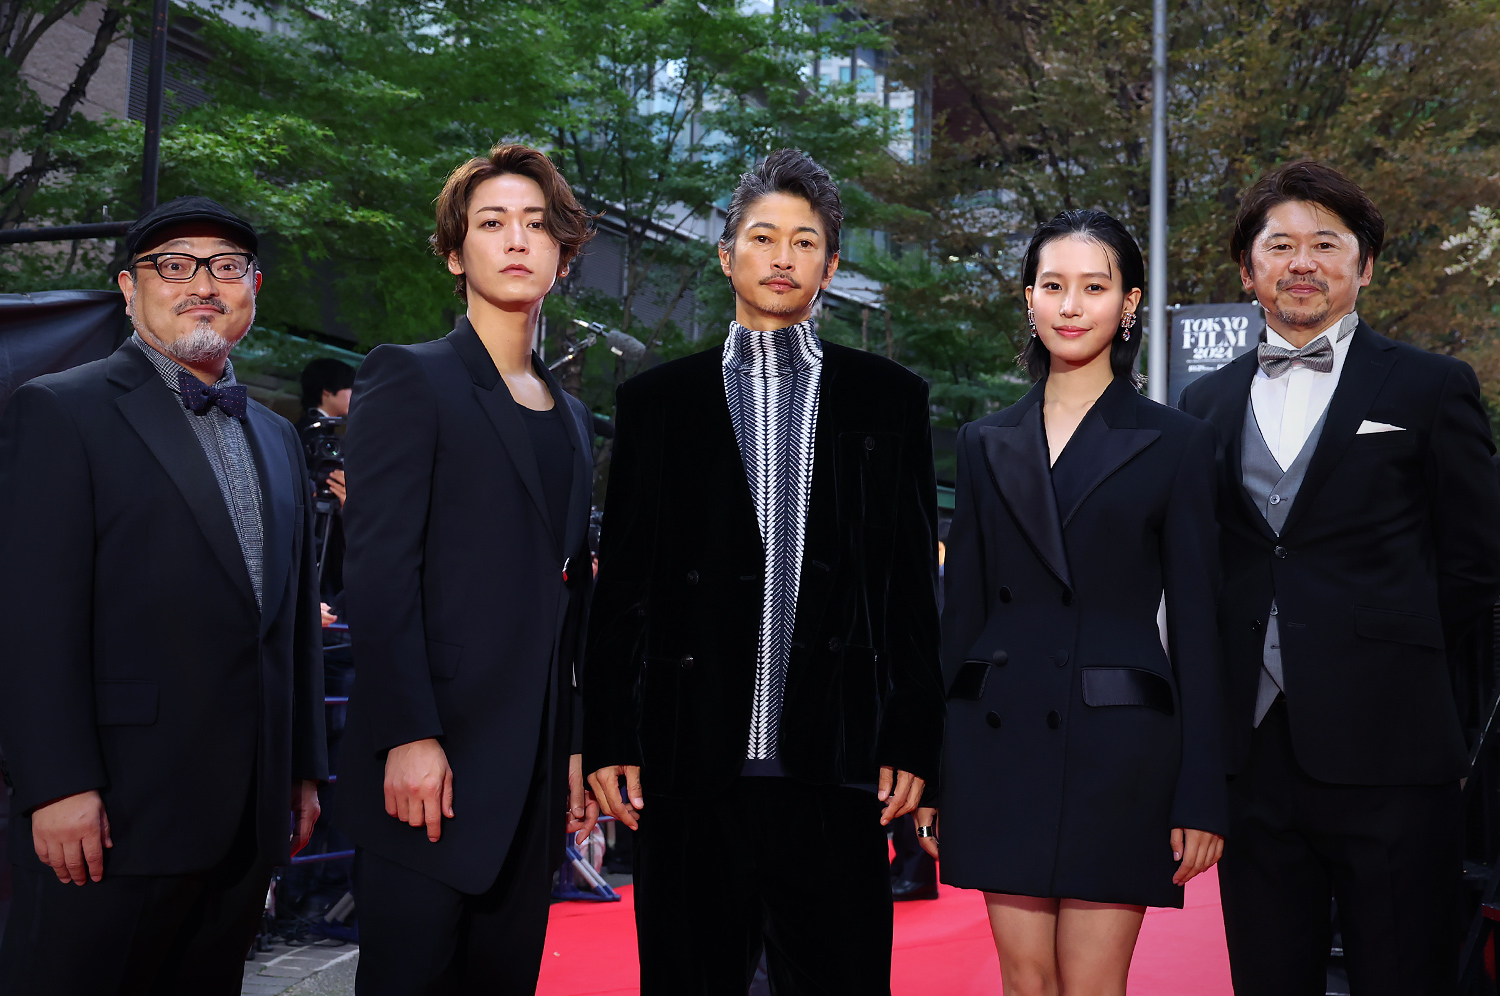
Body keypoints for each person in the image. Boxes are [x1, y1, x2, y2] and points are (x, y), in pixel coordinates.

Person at [584, 148, 945, 994]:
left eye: (806, 241)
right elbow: (623, 588)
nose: (783, 257)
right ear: (726, 254)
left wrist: (913, 739)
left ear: (832, 263)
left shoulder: (890, 399)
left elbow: (908, 592)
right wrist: (607, 736)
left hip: (838, 766)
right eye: (763, 236)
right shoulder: (656, 403)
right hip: (688, 764)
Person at [1179, 160, 1500, 996]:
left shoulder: (1432, 387)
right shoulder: (1203, 406)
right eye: (1279, 243)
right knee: (1268, 976)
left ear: (1364, 265)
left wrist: (1391, 652)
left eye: (1326, 243)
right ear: (1247, 270)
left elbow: (1476, 562)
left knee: (1405, 975)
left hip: (1394, 751)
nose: (1302, 261)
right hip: (1253, 758)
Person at [0, 195, 327, 995]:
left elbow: (288, 624)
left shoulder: (280, 437)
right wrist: (55, 784)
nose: (200, 285)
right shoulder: (61, 409)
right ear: (128, 287)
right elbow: (30, 616)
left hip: (246, 816)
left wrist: (300, 765)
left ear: (254, 287)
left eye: (223, 267)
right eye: (173, 266)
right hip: (113, 810)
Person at [919, 209, 1227, 995]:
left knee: (1091, 985)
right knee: (1025, 982)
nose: (1070, 305)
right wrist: (938, 770)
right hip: (1000, 740)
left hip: (1119, 746)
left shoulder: (1178, 440)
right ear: (1028, 298)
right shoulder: (986, 441)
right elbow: (961, 620)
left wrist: (1202, 791)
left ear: (1128, 305)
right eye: (1053, 285)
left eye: (1094, 287)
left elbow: (1198, 626)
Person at [337, 143, 599, 995]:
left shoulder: (572, 415)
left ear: (562, 255)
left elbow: (569, 600)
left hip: (529, 778)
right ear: (456, 253)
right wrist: (409, 734)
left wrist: (572, 745)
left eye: (537, 224)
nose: (517, 240)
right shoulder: (411, 377)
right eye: (492, 224)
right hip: (430, 766)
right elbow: (378, 572)